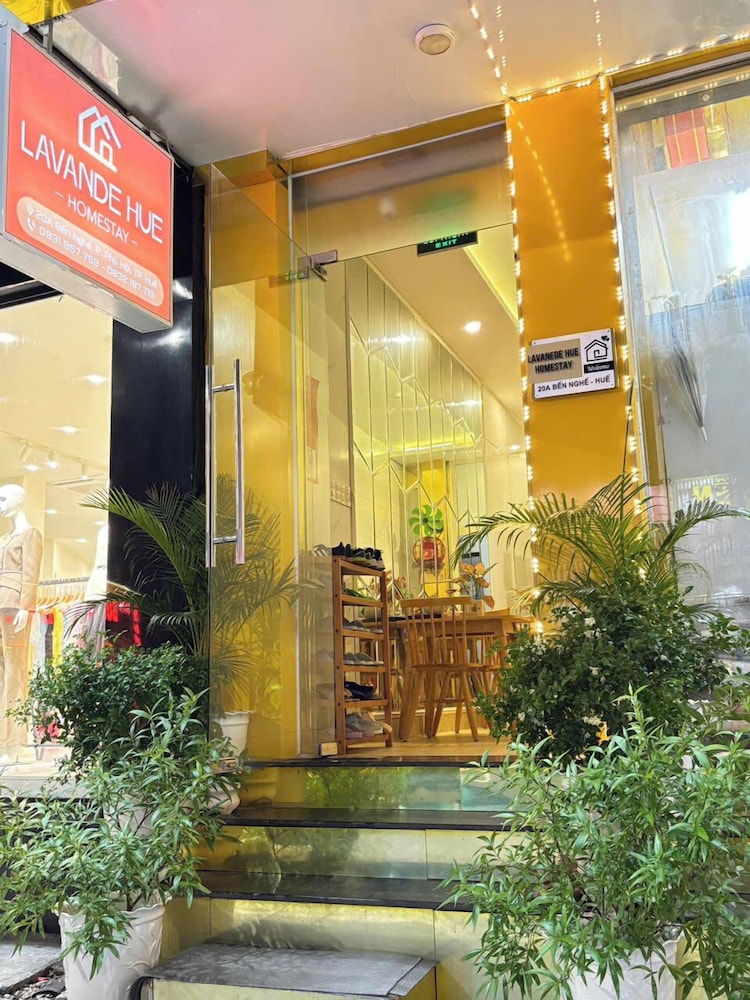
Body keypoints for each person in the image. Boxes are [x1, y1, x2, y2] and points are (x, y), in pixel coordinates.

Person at [0, 483, 42, 754]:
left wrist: (26, 607)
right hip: (2, 603)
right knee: (3, 671)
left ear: (19, 499)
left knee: (15, 671)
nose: (0, 504)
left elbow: (31, 573)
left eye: (4, 498)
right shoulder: (5, 538)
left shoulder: (30, 534)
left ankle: (14, 742)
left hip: (14, 607)